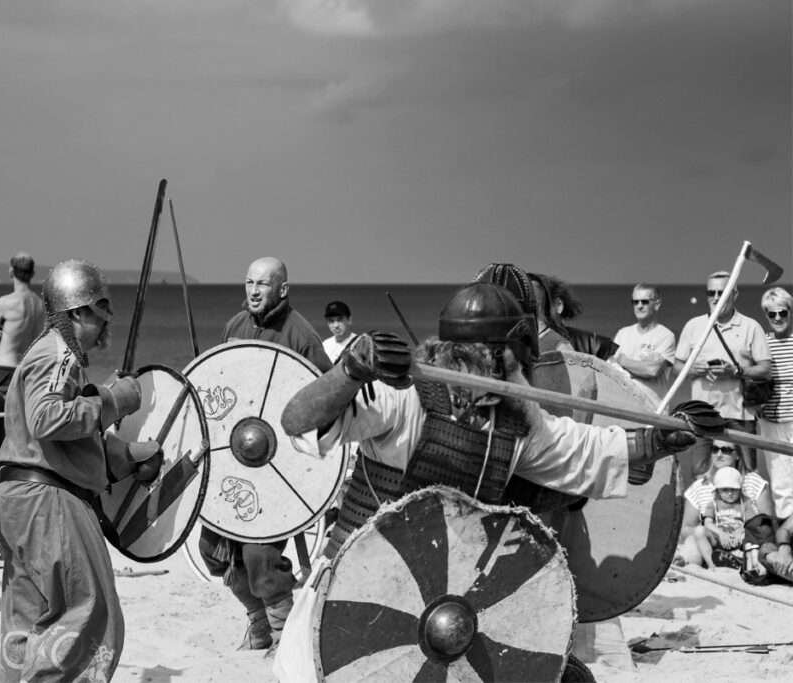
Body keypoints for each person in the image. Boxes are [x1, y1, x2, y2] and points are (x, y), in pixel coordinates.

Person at [273, 281, 703, 681]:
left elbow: (585, 448)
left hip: (448, 608)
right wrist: (350, 371)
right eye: (520, 355)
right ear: (494, 355)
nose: (527, 369)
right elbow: (297, 422)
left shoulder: (516, 424)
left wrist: (660, 439)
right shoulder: (401, 396)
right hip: (352, 589)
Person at [0, 259, 162, 682]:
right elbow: (47, 419)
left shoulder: (53, 354)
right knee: (88, 618)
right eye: (101, 309)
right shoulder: (57, 353)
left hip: (23, 500)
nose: (107, 320)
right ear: (79, 311)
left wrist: (126, 457)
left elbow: (58, 443)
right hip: (49, 504)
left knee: (28, 628)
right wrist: (112, 399)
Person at [200, 256, 331, 652]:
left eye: (263, 284)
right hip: (234, 455)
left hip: (278, 465)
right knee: (214, 551)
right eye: (249, 282)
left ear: (282, 290)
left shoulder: (301, 336)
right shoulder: (234, 327)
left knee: (260, 558)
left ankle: (285, 638)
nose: (254, 291)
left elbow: (326, 397)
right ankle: (258, 623)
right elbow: (217, 384)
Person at [674, 270, 771, 478]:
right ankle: (705, 512)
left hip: (741, 415)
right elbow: (676, 367)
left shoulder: (751, 327)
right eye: (711, 293)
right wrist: (694, 369)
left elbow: (765, 369)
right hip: (702, 414)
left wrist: (736, 371)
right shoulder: (694, 326)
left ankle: (751, 511)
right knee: (701, 476)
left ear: (734, 294)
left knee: (748, 475)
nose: (716, 298)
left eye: (722, 292)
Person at [674, 436, 772, 567]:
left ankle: (737, 560)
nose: (719, 454)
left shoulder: (753, 482)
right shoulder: (700, 486)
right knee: (693, 540)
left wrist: (739, 534)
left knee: (759, 540)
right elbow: (685, 528)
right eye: (714, 449)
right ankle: (702, 562)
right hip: (713, 541)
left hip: (744, 538)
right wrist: (715, 535)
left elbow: (767, 521)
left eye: (725, 450)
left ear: (738, 455)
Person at [0, 252, 46, 394]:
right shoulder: (40, 305)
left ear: (11, 271)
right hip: (30, 371)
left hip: (5, 369)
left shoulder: (6, 302)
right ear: (32, 273)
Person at [756, 287, 793, 523]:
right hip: (771, 421)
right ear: (766, 316)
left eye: (783, 312)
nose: (778, 318)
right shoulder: (762, 345)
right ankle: (787, 543)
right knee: (780, 484)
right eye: (772, 314)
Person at [681, 467, 761, 570]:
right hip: (720, 538)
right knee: (699, 531)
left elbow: (752, 522)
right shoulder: (713, 504)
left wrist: (740, 531)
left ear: (740, 489)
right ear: (717, 490)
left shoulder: (745, 503)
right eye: (725, 490)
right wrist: (721, 533)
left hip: (738, 538)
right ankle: (711, 564)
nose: (729, 493)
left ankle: (744, 561)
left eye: (733, 490)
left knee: (755, 533)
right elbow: (708, 523)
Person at [613, 284, 677, 401]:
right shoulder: (622, 333)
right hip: (623, 405)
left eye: (645, 302)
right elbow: (612, 369)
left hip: (652, 409)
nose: (639, 306)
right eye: (635, 302)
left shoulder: (666, 336)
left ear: (657, 304)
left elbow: (653, 370)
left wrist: (624, 361)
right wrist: (641, 367)